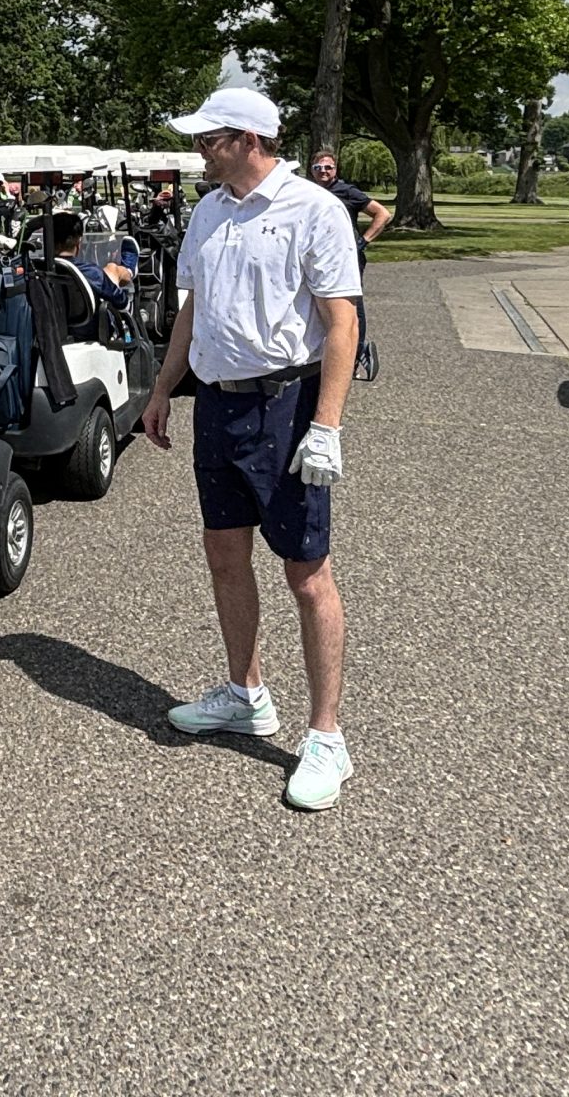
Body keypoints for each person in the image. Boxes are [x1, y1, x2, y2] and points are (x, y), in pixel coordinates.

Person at [138, 85, 362, 813]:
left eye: (209, 139)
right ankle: (245, 693)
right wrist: (163, 388)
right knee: (224, 553)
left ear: (250, 140)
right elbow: (193, 308)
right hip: (219, 404)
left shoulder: (313, 210)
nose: (199, 150)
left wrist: (326, 425)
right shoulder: (209, 209)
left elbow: (342, 323)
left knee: (306, 572)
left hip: (287, 405)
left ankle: (326, 736)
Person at [311, 149, 387, 379]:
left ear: (335, 169)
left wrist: (363, 242)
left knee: (351, 304)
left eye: (328, 167)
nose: (323, 171)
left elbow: (382, 214)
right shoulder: (310, 191)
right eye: (318, 168)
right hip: (320, 254)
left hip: (347, 255)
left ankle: (356, 353)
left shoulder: (347, 191)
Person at [46, 209, 133, 327]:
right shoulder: (90, 272)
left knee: (109, 270)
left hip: (54, 328)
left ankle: (128, 269)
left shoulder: (39, 270)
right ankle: (129, 269)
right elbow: (122, 303)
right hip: (91, 329)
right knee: (111, 270)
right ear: (78, 241)